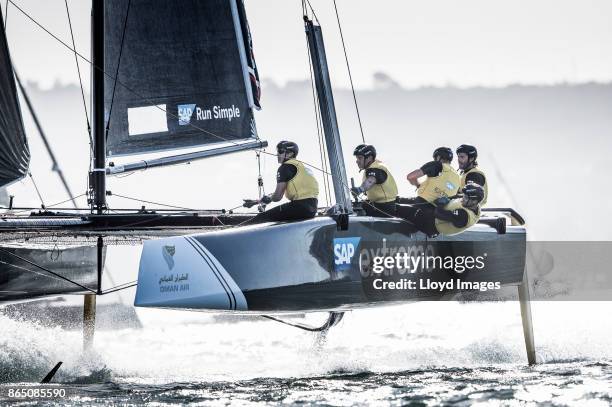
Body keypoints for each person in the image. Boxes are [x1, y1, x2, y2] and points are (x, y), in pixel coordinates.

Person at [243, 141, 319, 223]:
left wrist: (268, 199)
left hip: (299, 207)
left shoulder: (285, 167)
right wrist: (257, 201)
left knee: (260, 218)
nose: (277, 154)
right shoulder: (301, 167)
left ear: (290, 154)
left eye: (280, 151)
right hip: (312, 208)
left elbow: (277, 197)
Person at [396, 147, 461, 222]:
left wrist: (417, 185)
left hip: (420, 205)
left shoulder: (437, 165)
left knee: (393, 202)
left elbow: (410, 177)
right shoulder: (458, 178)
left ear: (438, 157)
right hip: (435, 214)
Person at [410, 182, 484, 237]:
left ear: (475, 201)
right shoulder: (472, 204)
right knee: (418, 201)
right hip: (431, 215)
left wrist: (440, 203)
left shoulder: (464, 216)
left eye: (466, 197)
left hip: (431, 226)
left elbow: (438, 213)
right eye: (464, 196)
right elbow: (455, 197)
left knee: (405, 210)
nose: (462, 199)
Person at [350, 144, 398, 217]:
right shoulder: (370, 168)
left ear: (369, 158)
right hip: (377, 205)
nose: (357, 161)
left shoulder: (377, 168)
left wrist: (359, 189)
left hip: (385, 209)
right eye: (357, 158)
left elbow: (370, 181)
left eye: (360, 158)